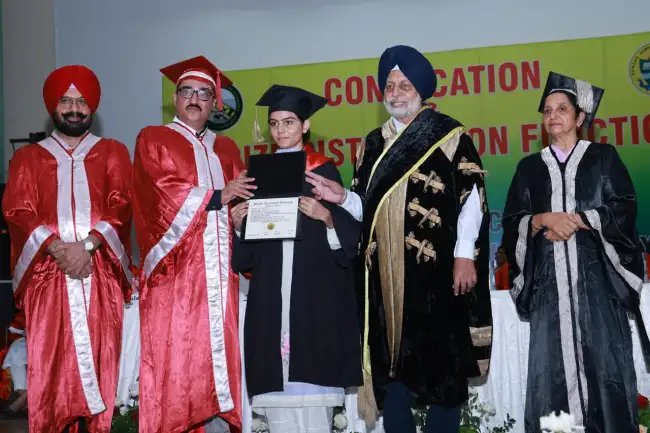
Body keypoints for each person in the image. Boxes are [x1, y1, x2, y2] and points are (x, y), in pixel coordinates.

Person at [307, 45, 492, 433]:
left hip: (436, 272)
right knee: (391, 368)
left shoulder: (448, 135)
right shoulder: (371, 144)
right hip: (382, 276)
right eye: (389, 86)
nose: (395, 93)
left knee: (442, 364)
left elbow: (472, 197)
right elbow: (366, 208)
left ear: (421, 90)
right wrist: (342, 198)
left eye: (404, 85)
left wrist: (464, 255)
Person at [502, 71, 646, 432]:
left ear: (580, 117)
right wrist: (542, 220)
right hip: (549, 293)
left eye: (562, 109)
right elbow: (512, 222)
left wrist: (580, 220)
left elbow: (624, 207)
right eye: (547, 110)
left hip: (597, 289)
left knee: (606, 369)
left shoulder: (603, 159)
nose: (553, 116)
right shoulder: (529, 169)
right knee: (550, 374)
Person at [2, 65, 133, 433]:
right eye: (65, 101)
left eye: (82, 101)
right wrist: (59, 249)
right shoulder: (28, 158)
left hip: (98, 273)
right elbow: (17, 210)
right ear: (52, 107)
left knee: (102, 363)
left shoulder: (112, 152)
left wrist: (87, 246)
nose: (74, 109)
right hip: (49, 277)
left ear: (92, 107)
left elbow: (122, 203)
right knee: (52, 370)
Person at [230, 85, 362, 433]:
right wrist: (239, 226)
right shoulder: (258, 176)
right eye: (274, 124)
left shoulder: (323, 172)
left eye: (289, 122)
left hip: (313, 302)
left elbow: (349, 244)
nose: (281, 131)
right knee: (278, 415)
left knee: (315, 417)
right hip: (270, 303)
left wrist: (326, 216)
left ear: (305, 125)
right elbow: (245, 260)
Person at [133, 56, 253, 433]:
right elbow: (159, 195)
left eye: (204, 93)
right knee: (178, 360)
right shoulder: (154, 138)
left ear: (215, 103)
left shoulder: (227, 148)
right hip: (176, 276)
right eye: (188, 91)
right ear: (175, 98)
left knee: (220, 362)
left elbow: (240, 201)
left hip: (221, 276)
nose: (195, 99)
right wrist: (219, 196)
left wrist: (240, 215)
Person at [0, 310, 27, 418]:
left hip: (52, 345)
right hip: (27, 341)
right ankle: (25, 398)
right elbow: (14, 326)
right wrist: (26, 331)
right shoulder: (30, 308)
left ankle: (21, 402)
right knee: (16, 352)